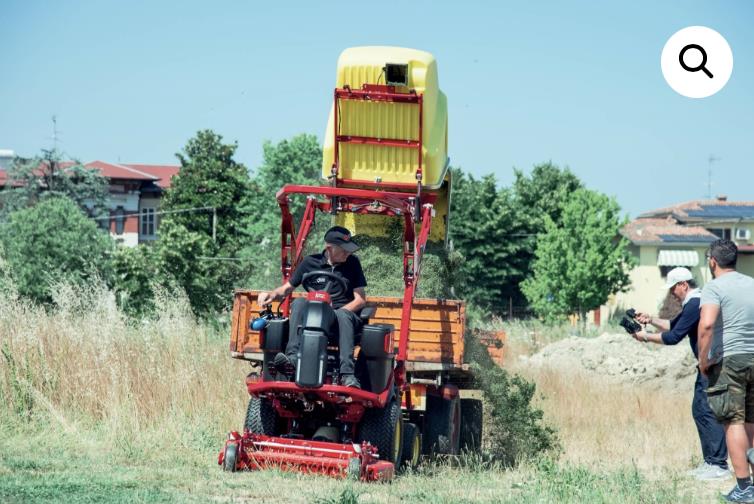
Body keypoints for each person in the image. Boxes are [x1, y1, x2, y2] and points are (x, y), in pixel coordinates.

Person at [631, 267, 730, 480]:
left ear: (684, 285)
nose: (672, 294)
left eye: (674, 289)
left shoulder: (695, 303)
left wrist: (645, 337)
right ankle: (712, 461)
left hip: (711, 363)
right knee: (701, 409)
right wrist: (650, 320)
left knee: (704, 410)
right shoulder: (695, 303)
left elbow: (674, 336)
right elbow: (675, 325)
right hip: (710, 363)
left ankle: (718, 465)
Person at [257, 226, 367, 389]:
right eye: (344, 249)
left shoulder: (353, 263)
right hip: (314, 316)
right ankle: (292, 360)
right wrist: (271, 294)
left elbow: (360, 299)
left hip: (340, 317)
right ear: (329, 248)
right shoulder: (310, 262)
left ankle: (347, 375)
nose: (348, 253)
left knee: (344, 315)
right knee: (300, 302)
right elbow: (287, 288)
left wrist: (337, 312)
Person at [697, 239, 754, 503]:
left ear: (712, 261)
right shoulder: (752, 283)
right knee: (751, 421)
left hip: (729, 360)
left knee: (732, 421)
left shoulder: (714, 287)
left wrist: (703, 360)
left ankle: (744, 487)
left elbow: (707, 325)